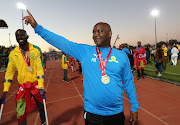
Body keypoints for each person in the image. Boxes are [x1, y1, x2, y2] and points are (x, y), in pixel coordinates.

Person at [23, 10, 139, 125]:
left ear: (109, 34)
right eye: (93, 32)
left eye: (100, 31)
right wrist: (37, 27)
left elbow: (128, 82)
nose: (95, 35)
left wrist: (134, 106)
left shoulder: (121, 56)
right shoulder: (85, 51)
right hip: (93, 114)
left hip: (116, 114)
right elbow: (61, 42)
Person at [0, 29, 46, 125]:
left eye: (22, 35)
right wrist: (5, 90)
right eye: (17, 36)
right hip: (23, 86)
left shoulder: (36, 50)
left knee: (41, 107)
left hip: (36, 85)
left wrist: (41, 86)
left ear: (27, 36)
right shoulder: (13, 53)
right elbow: (9, 72)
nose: (20, 37)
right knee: (20, 112)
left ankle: (43, 123)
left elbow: (40, 69)